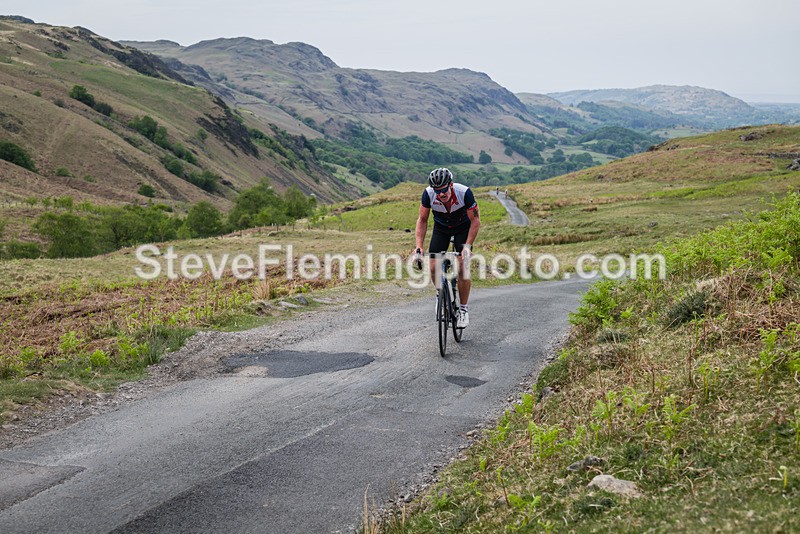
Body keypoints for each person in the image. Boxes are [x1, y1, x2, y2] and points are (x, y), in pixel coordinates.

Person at [413, 167, 480, 328]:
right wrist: (419, 247)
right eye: (437, 191)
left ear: (450, 185)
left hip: (462, 228)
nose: (441, 194)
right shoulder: (428, 194)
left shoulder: (464, 193)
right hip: (441, 229)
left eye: (443, 190)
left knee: (463, 266)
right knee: (433, 266)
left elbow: (475, 221)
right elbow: (422, 220)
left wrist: (467, 247)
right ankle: (440, 294)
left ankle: (463, 309)